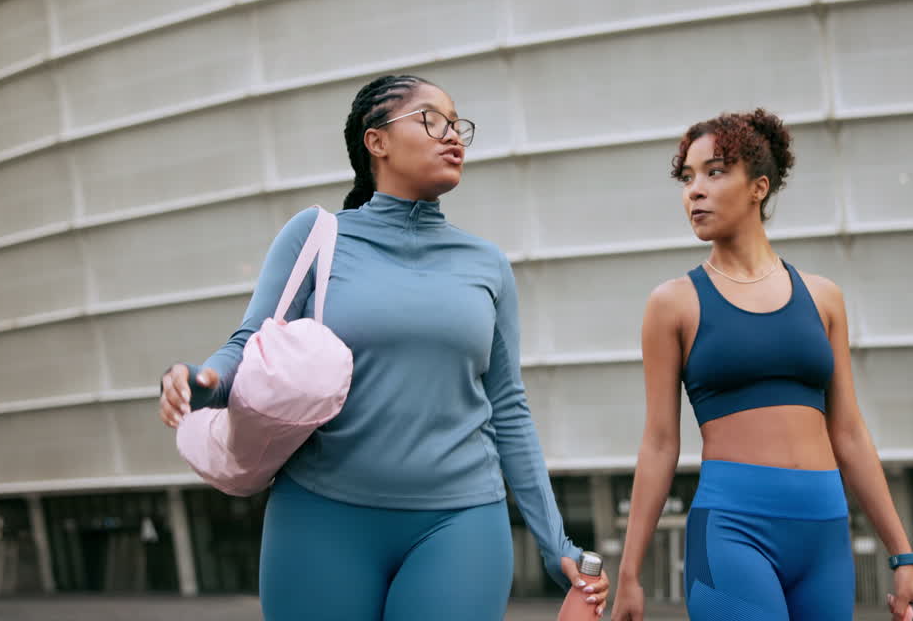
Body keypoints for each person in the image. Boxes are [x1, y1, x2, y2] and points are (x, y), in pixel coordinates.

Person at [158, 74, 609, 620]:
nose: (454, 137)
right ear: (377, 141)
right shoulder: (316, 236)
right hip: (320, 519)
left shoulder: (487, 264)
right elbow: (251, 342)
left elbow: (508, 407)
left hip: (461, 523)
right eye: (431, 120)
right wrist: (202, 382)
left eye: (459, 125)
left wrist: (555, 543)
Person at [610, 109, 913, 620]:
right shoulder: (673, 304)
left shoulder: (824, 298)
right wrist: (628, 573)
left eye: (715, 172)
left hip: (825, 533)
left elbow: (848, 432)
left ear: (759, 187)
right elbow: (659, 443)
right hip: (732, 532)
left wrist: (903, 557)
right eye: (687, 177)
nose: (695, 190)